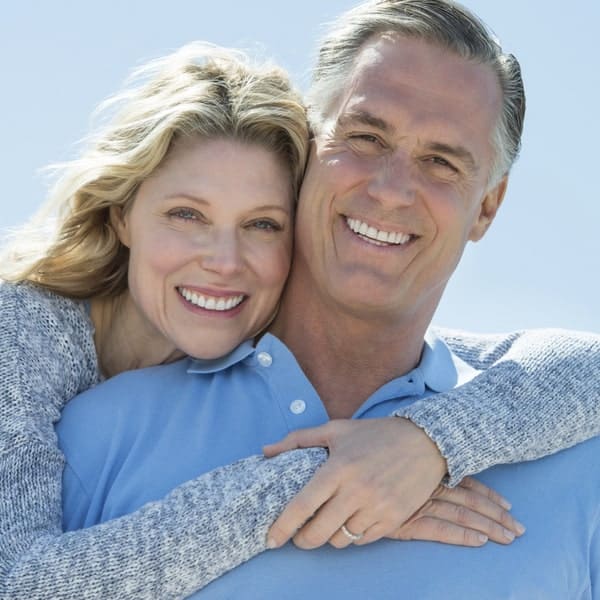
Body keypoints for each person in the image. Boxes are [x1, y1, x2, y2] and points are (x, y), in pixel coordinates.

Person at [56, 0, 600, 598]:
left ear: (487, 208)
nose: (392, 190)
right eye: (365, 137)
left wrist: (432, 439)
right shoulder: (98, 434)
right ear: (307, 149)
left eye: (441, 162)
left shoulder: (578, 461)